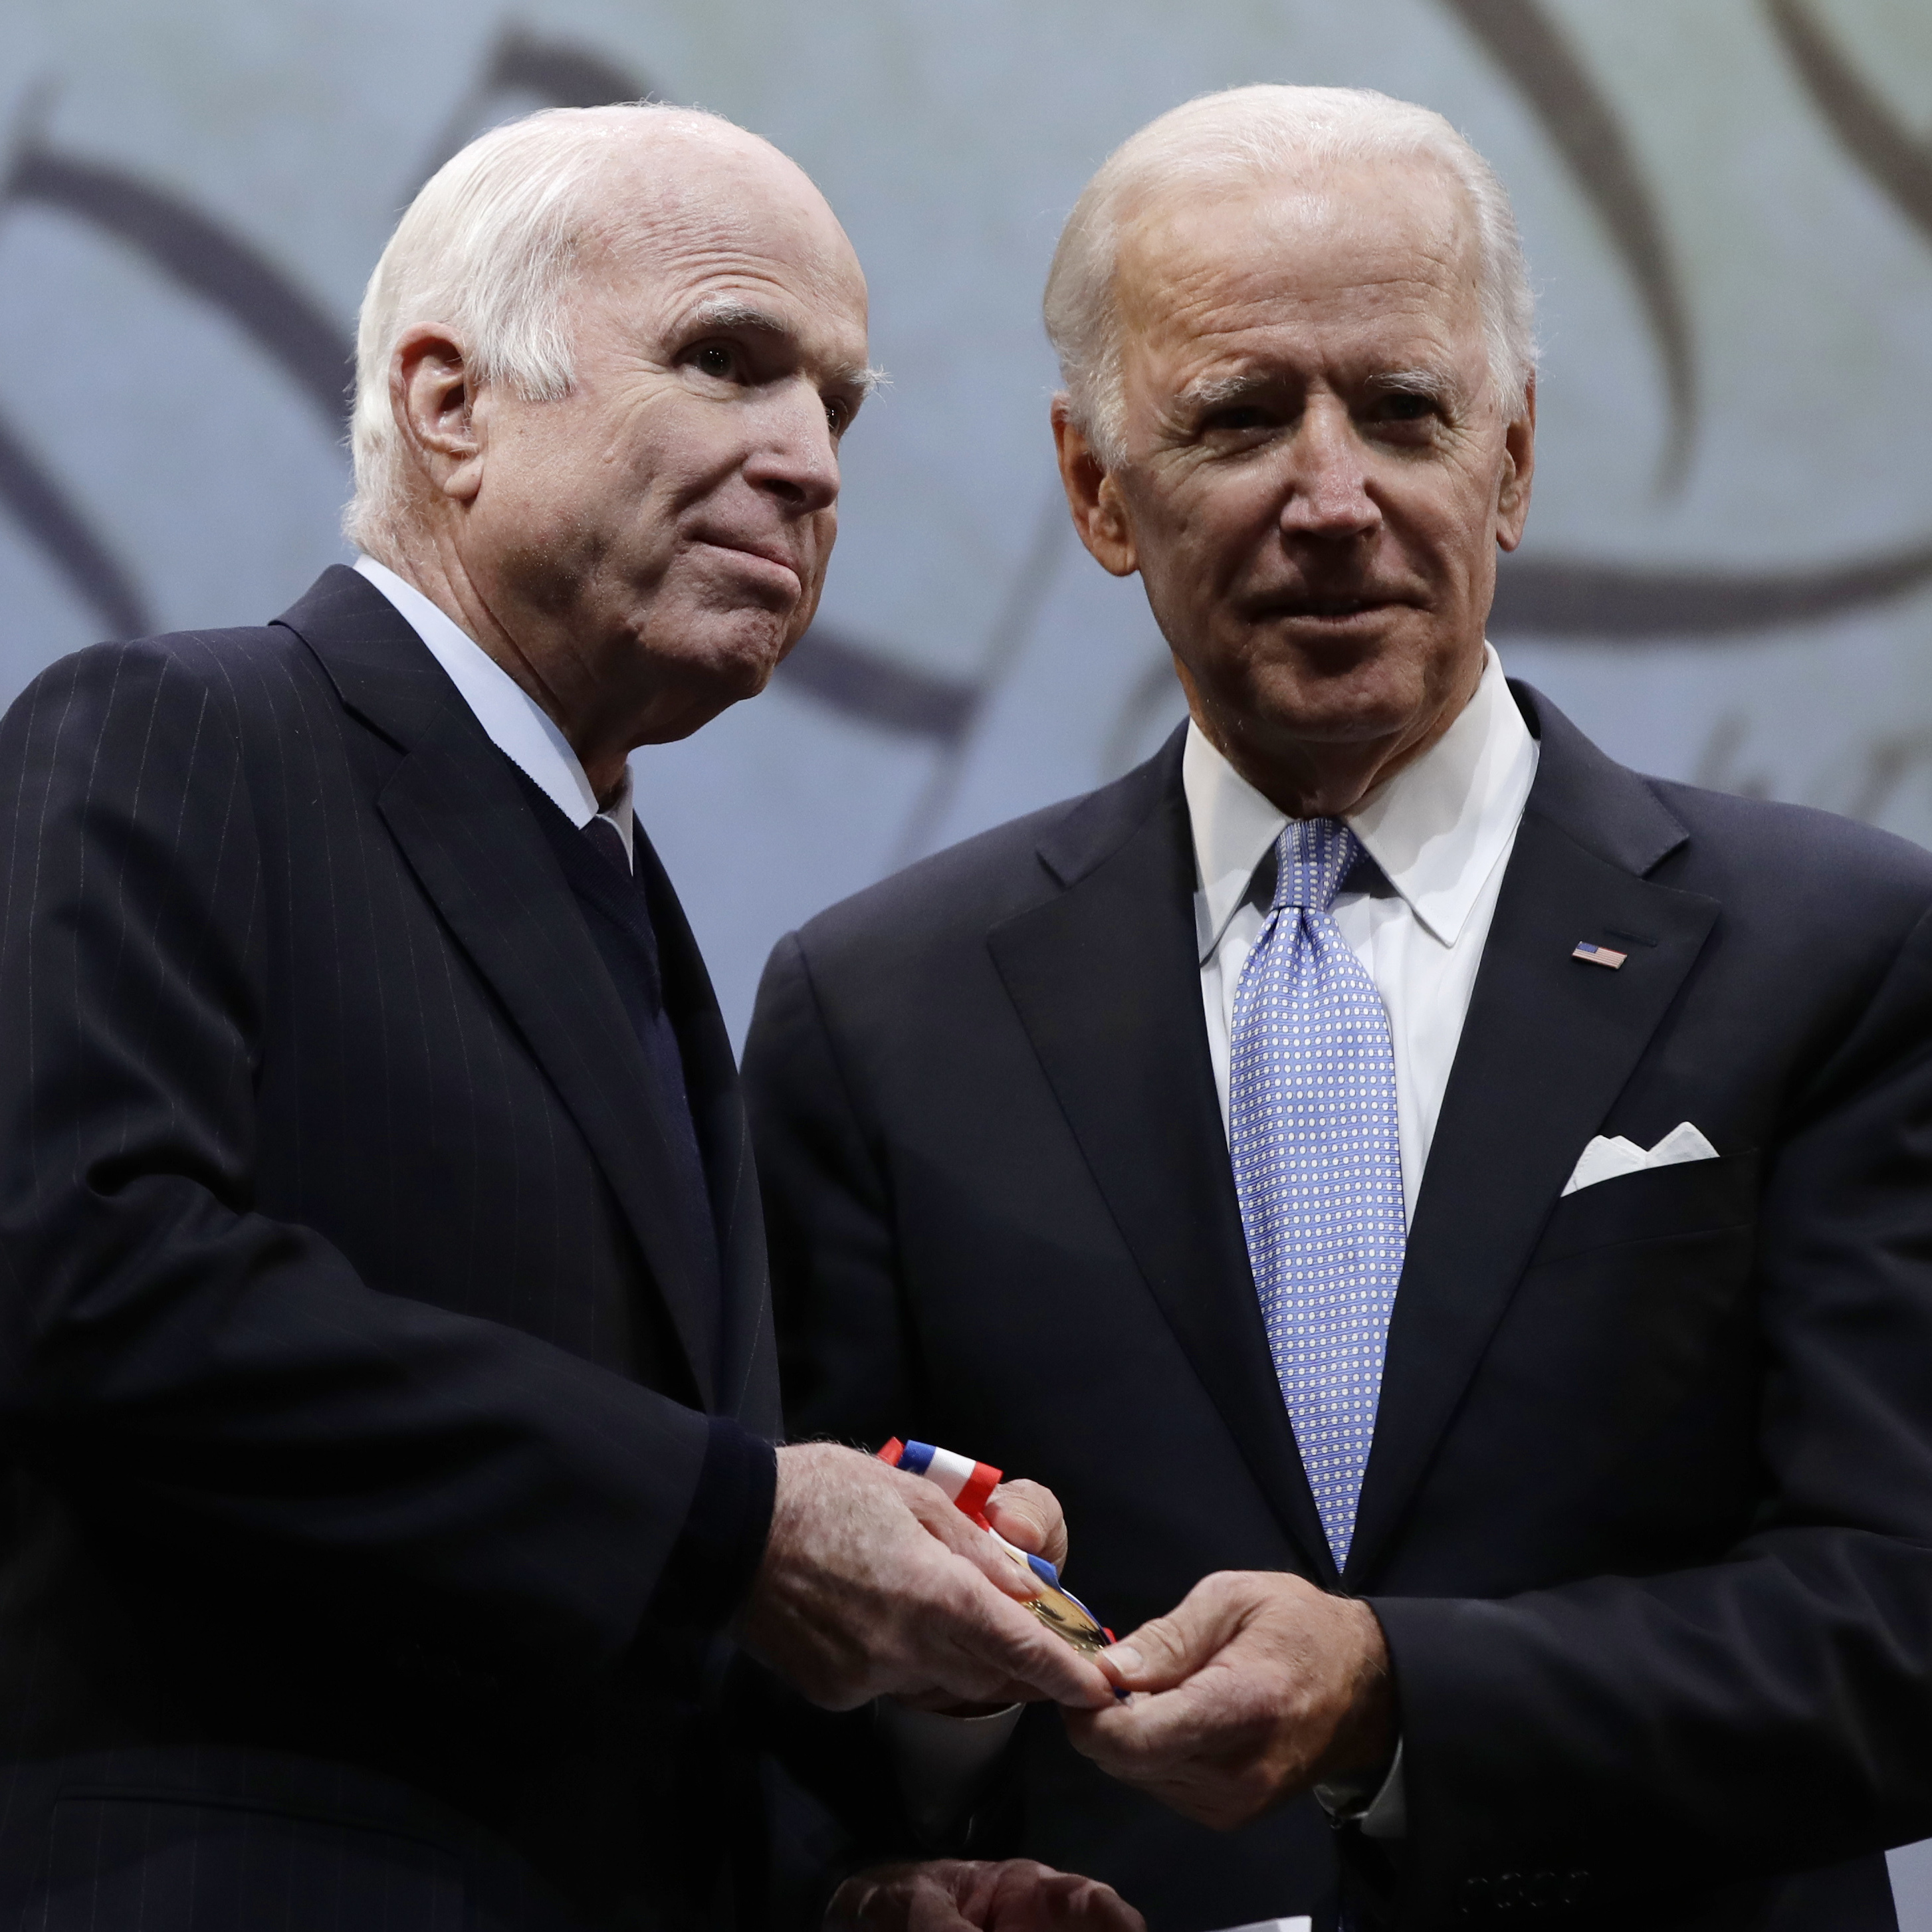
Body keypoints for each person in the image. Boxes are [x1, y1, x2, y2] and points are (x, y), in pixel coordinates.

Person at [743, 85, 1932, 1930]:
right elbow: (782, 1686)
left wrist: (1393, 1691)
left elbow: (1901, 1617)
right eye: (1235, 417)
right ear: (1092, 488)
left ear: (1512, 460)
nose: (1328, 498)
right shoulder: (877, 1012)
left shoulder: (1834, 951)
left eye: (1399, 411)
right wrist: (890, 1863)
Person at [0, 102, 1140, 1932]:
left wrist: (842, 1891)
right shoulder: (175, 730)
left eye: (833, 405)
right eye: (727, 361)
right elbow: (88, 1279)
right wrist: (742, 1520)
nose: (807, 461)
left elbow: (571, 1646)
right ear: (450, 401)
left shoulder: (627, 902)